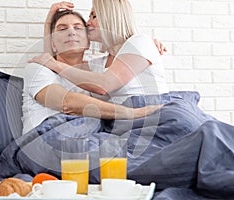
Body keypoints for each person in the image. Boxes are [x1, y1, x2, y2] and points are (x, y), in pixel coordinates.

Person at [22, 10, 162, 134]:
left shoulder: (93, 73)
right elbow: (67, 103)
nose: (71, 32)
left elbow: (110, 72)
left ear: (88, 42)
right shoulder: (38, 68)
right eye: (62, 29)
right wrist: (132, 113)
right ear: (52, 43)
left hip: (85, 137)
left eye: (78, 28)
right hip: (44, 137)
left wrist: (146, 45)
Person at [30, 0, 169, 105]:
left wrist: (52, 64)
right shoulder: (98, 65)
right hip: (127, 127)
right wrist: (49, 23)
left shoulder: (140, 42)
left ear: (111, 18)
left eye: (94, 16)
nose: (88, 23)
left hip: (155, 117)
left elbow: (104, 85)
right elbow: (53, 65)